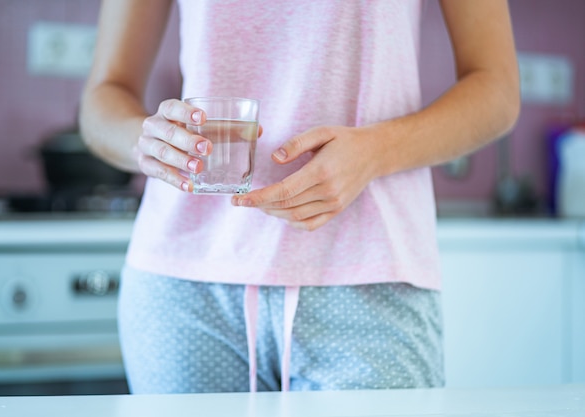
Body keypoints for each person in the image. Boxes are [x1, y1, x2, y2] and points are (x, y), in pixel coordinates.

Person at [79, 0, 520, 394]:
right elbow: (105, 96)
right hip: (185, 283)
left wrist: (375, 152)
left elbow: (496, 89)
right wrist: (147, 142)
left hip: (370, 274)